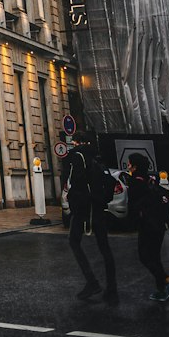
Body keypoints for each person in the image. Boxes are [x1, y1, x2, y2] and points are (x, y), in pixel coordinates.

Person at [63, 130, 117, 303]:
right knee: (105, 248)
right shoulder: (98, 156)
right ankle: (112, 288)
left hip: (83, 208)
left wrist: (74, 200)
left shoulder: (76, 156)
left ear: (77, 142)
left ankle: (92, 281)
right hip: (99, 207)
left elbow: (72, 180)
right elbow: (109, 180)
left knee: (74, 240)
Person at [126, 152, 169, 302]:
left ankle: (168, 281)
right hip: (159, 225)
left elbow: (134, 205)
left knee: (144, 256)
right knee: (154, 257)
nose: (128, 166)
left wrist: (132, 221)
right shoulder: (151, 180)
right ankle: (162, 290)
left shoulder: (135, 182)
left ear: (134, 166)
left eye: (129, 164)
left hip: (148, 225)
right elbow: (162, 200)